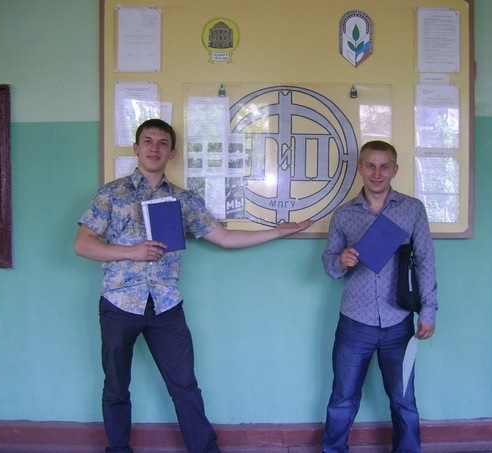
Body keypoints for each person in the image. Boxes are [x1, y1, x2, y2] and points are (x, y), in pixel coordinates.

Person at [74, 119, 313, 453]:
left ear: (172, 152)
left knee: (185, 385)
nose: (154, 148)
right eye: (148, 141)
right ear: (136, 148)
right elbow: (83, 244)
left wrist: (277, 232)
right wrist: (131, 251)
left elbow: (224, 238)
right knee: (116, 386)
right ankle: (118, 448)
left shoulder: (183, 199)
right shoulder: (111, 194)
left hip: (166, 306)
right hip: (119, 304)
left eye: (162, 143)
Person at [320, 140, 438, 453]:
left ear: (395, 170)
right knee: (342, 398)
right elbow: (329, 262)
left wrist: (428, 312)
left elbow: (426, 261)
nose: (377, 173)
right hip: (354, 322)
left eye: (384, 167)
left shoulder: (412, 209)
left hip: (399, 321)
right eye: (370, 166)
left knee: (404, 401)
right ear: (360, 168)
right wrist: (340, 261)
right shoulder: (344, 215)